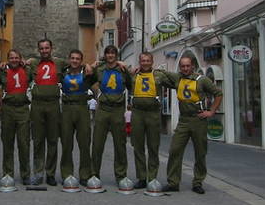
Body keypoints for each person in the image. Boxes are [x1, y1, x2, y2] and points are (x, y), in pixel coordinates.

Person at [162, 55, 222, 194]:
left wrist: (211, 111)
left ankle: (198, 182)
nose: (185, 68)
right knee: (174, 150)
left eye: (187, 66)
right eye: (182, 66)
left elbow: (218, 93)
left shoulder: (202, 80)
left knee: (200, 152)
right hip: (183, 120)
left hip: (198, 120)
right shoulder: (178, 78)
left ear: (192, 66)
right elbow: (161, 74)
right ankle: (173, 182)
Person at [129, 52, 175, 189]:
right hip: (137, 113)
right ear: (139, 62)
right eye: (143, 60)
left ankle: (152, 177)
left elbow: (176, 81)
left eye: (148, 60)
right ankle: (142, 177)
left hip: (153, 113)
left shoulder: (159, 75)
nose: (145, 63)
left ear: (152, 61)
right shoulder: (133, 75)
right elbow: (120, 71)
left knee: (153, 147)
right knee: (138, 147)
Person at [28, 38, 67, 185]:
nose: (44, 51)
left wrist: (93, 64)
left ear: (52, 48)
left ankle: (50, 173)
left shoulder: (60, 63)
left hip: (53, 104)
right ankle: (38, 173)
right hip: (37, 104)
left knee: (52, 140)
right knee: (38, 140)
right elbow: (15, 63)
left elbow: (77, 63)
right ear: (39, 50)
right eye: (42, 48)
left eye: (47, 48)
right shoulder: (32, 63)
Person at [91, 45, 132, 185]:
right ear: (105, 55)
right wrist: (90, 66)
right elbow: (87, 80)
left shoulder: (122, 69)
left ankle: (121, 175)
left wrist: (127, 69)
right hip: (103, 109)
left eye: (113, 53)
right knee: (97, 143)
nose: (110, 56)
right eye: (108, 53)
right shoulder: (100, 69)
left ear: (116, 55)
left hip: (117, 109)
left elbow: (131, 85)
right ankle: (94, 174)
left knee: (120, 143)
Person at [60, 49, 94, 186]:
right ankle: (66, 174)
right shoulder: (62, 73)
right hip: (67, 108)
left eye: (77, 59)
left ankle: (85, 174)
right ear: (69, 59)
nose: (74, 61)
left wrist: (90, 65)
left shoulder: (87, 74)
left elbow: (104, 66)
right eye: (72, 58)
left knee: (84, 144)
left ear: (81, 61)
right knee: (66, 144)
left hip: (81, 108)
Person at [0, 49, 32, 185]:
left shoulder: (27, 70)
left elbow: (36, 65)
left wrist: (28, 62)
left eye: (16, 58)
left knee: (24, 143)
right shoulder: (2, 70)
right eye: (11, 58)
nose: (14, 60)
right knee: (8, 143)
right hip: (8, 109)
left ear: (20, 59)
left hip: (23, 109)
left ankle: (25, 174)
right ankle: (8, 173)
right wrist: (2, 63)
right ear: (8, 59)